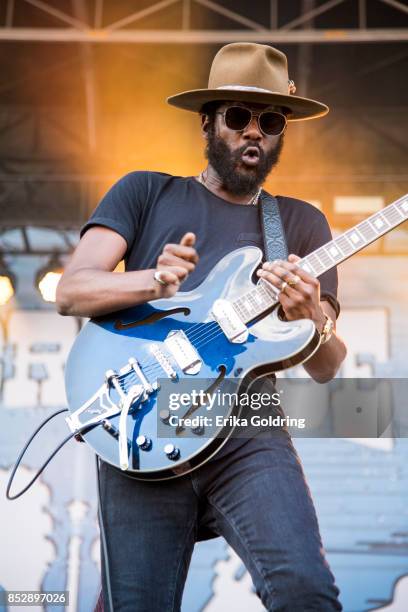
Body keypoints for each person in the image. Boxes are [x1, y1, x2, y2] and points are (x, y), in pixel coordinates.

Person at [57, 43, 347, 611]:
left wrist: (312, 314)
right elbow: (72, 291)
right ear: (208, 121)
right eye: (239, 117)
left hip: (249, 429)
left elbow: (328, 365)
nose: (254, 133)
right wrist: (153, 283)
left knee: (306, 592)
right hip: (144, 419)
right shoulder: (145, 191)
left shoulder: (301, 224)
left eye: (270, 121)